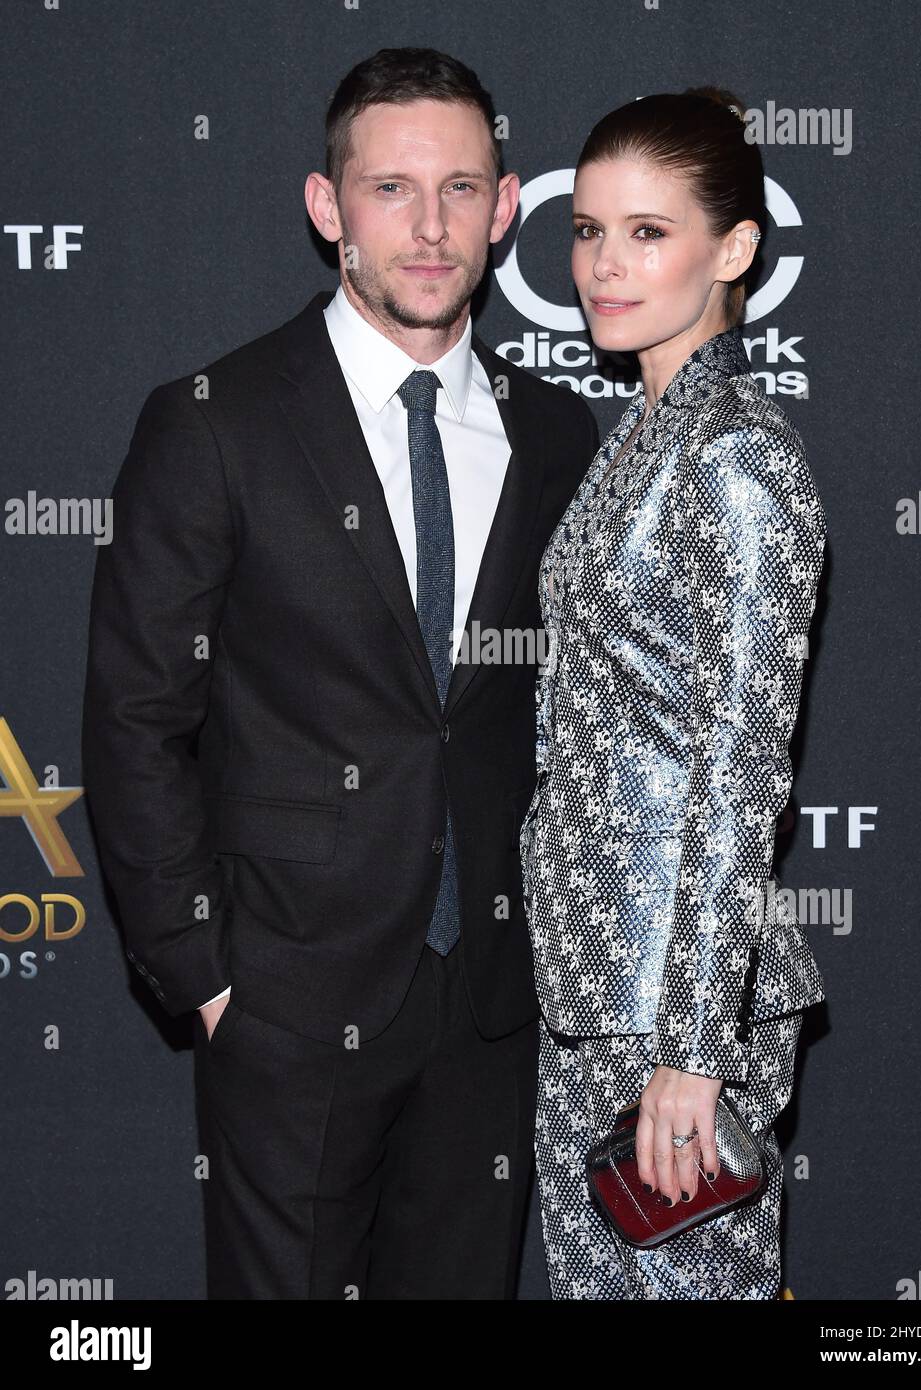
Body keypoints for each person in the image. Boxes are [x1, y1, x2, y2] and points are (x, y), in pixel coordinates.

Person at [81, 46, 599, 1299]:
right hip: (285, 999)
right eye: (391, 190)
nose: (429, 229)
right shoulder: (216, 419)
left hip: (488, 999)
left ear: (507, 205)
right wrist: (202, 979)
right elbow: (136, 716)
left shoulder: (553, 431)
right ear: (329, 209)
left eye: (461, 189)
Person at [519, 87, 828, 1300]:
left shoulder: (735, 455)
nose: (604, 264)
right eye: (589, 231)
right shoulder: (640, 434)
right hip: (594, 991)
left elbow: (741, 764)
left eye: (649, 232)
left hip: (676, 1005)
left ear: (734, 249)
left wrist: (696, 1053)